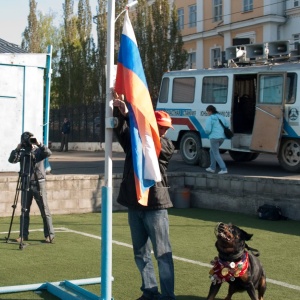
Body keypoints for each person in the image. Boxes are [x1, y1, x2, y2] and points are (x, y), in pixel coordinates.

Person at [113, 91, 176, 300]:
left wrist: (132, 115)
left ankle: (168, 297)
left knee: (162, 254)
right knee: (140, 253)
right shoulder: (136, 141)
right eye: (163, 127)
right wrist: (120, 111)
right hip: (135, 204)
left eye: (167, 128)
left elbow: (152, 143)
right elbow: (123, 132)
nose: (166, 130)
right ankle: (149, 292)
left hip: (155, 206)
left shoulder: (165, 145)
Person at [8, 131, 55, 243]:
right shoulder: (23, 152)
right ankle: (23, 235)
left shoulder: (39, 151)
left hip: (39, 183)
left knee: (44, 210)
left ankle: (49, 235)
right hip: (26, 182)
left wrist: (39, 144)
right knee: (24, 210)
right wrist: (17, 149)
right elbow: (11, 160)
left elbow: (49, 153)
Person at [205, 105, 228, 174]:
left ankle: (224, 168)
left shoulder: (210, 118)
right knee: (212, 151)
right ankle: (212, 167)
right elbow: (227, 125)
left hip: (214, 138)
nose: (207, 113)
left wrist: (207, 133)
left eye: (207, 112)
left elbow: (208, 130)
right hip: (222, 137)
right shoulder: (221, 117)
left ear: (210, 111)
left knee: (215, 153)